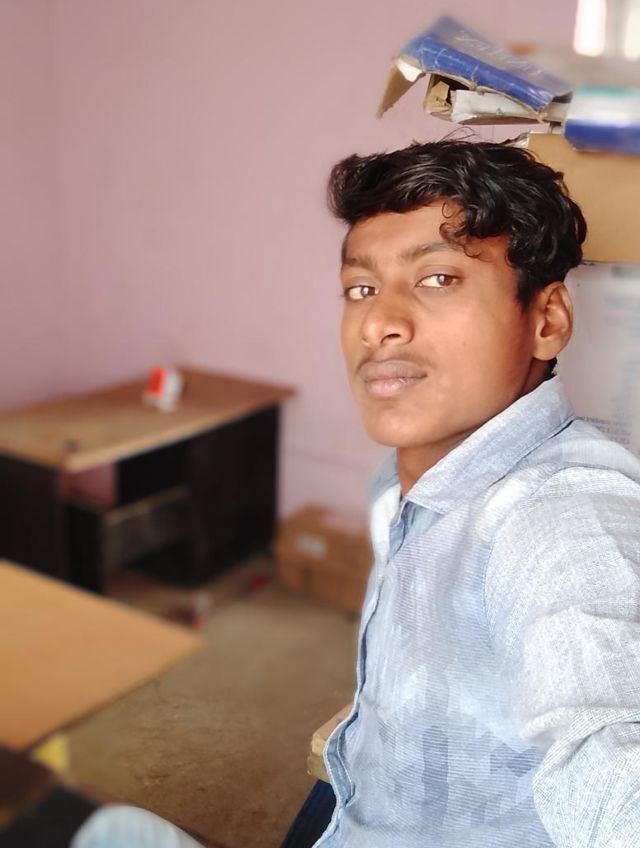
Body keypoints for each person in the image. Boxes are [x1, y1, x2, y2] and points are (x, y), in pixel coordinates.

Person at [72, 140, 640, 848]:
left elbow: (614, 759)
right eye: (361, 289)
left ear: (547, 320)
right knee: (113, 830)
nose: (377, 324)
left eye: (438, 278)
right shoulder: (402, 480)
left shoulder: (562, 518)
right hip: (357, 808)